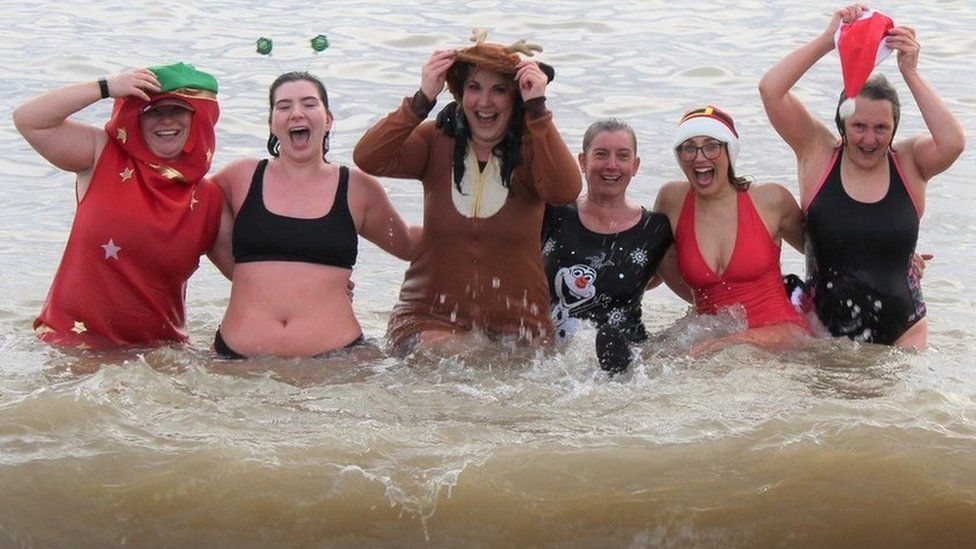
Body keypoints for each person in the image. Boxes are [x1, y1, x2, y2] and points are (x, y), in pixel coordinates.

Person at [353, 33, 582, 351]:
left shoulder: (532, 148)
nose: (485, 102)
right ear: (460, 94)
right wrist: (421, 100)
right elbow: (368, 157)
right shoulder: (433, 140)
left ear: (515, 98)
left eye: (499, 90)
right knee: (453, 350)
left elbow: (565, 189)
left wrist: (538, 111)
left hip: (520, 326)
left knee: (503, 362)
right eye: (474, 88)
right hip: (428, 318)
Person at [758, 4, 965, 348]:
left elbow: (954, 142)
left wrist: (910, 71)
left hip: (904, 332)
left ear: (895, 127)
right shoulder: (818, 153)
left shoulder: (910, 162)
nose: (869, 139)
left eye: (881, 127)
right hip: (823, 334)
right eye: (859, 126)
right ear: (842, 123)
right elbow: (770, 90)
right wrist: (829, 40)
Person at [13, 63, 225, 349]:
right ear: (135, 118)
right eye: (153, 111)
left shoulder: (209, 198)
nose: (166, 120)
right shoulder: (102, 155)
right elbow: (28, 119)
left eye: (176, 110)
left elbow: (248, 277)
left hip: (158, 353)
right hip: (71, 343)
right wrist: (105, 87)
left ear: (197, 118)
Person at [210, 71, 419, 358]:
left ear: (329, 120)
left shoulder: (358, 188)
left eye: (309, 104)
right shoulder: (238, 178)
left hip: (336, 363)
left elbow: (407, 243)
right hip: (235, 361)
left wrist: (477, 227)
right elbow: (189, 218)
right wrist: (251, 281)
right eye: (283, 107)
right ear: (272, 123)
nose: (296, 113)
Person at [653, 106, 810, 354]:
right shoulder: (671, 200)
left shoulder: (771, 200)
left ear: (729, 151)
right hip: (713, 340)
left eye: (712, 145)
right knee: (654, 358)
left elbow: (821, 254)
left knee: (710, 353)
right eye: (688, 147)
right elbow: (658, 266)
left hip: (783, 335)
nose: (699, 156)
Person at [542, 118, 673, 373]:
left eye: (623, 156)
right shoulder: (554, 214)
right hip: (554, 361)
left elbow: (694, 289)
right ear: (582, 161)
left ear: (635, 166)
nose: (612, 165)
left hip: (627, 363)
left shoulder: (654, 229)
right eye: (601, 155)